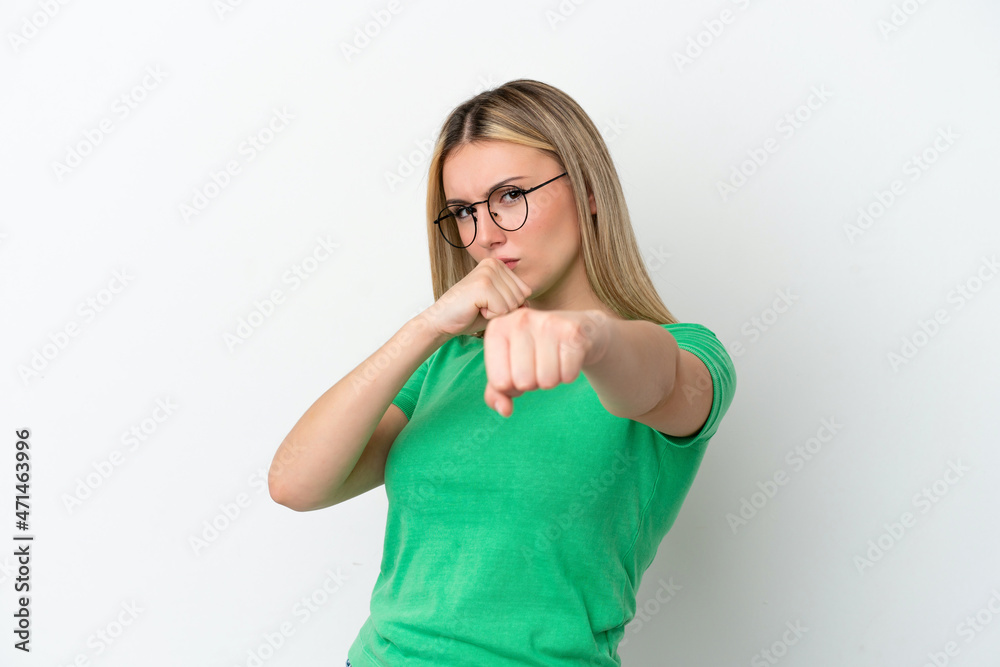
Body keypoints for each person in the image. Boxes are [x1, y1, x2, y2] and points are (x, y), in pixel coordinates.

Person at [267, 79, 737, 667]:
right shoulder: (448, 362)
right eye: (463, 211)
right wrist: (429, 327)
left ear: (588, 191)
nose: (485, 235)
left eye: (510, 196)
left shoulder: (681, 352)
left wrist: (589, 337)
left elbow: (658, 381)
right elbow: (294, 485)